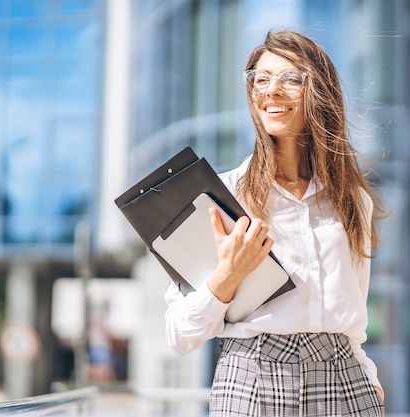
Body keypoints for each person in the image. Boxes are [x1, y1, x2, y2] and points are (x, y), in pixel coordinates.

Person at [164, 29, 386, 416]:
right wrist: (227, 277)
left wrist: (368, 378)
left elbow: (353, 315)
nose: (271, 90)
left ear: (319, 92)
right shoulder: (223, 196)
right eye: (261, 79)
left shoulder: (352, 199)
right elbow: (179, 335)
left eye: (290, 79)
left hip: (344, 379)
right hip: (251, 377)